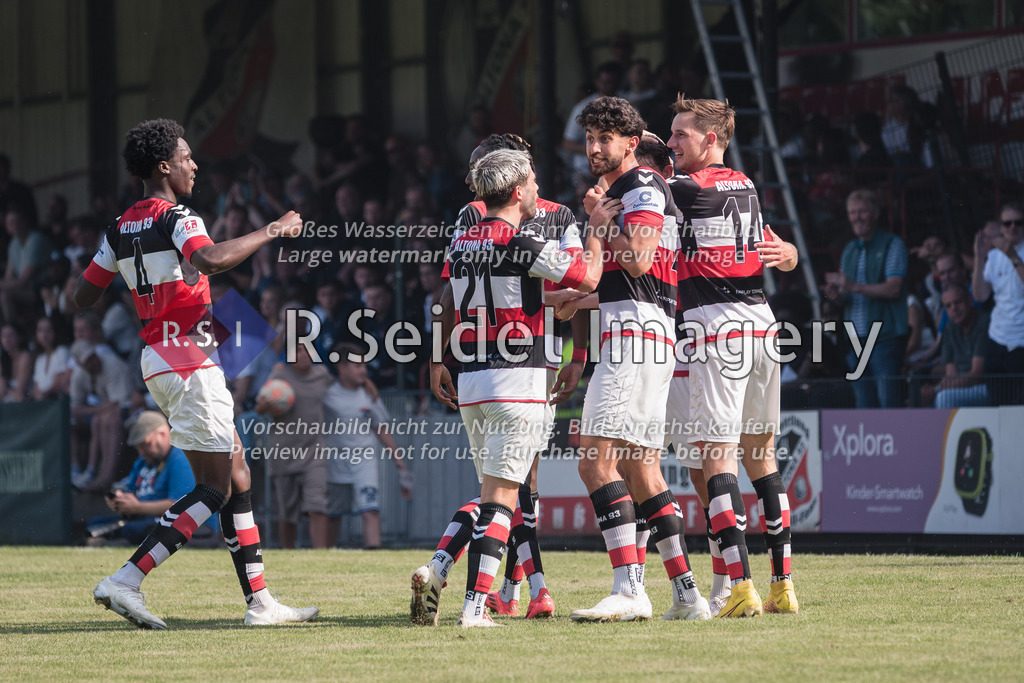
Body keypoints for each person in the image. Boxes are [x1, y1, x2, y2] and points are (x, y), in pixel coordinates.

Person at [74, 118, 317, 629]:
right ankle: (126, 580)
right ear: (164, 167)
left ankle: (261, 602)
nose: (194, 164)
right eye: (186, 158)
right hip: (187, 356)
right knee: (214, 490)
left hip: (161, 355)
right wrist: (273, 229)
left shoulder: (119, 226)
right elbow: (209, 258)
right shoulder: (176, 214)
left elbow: (83, 296)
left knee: (237, 472)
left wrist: (148, 285)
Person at [414, 148, 602, 627]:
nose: (539, 188)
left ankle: (446, 572)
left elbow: (448, 305)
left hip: (472, 380)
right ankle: (476, 607)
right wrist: (596, 229)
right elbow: (588, 278)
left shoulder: (461, 243)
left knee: (496, 493)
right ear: (517, 191)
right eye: (534, 181)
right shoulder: (521, 242)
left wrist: (437, 359)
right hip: (518, 379)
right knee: (502, 499)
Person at [561, 96, 709, 623]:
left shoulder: (639, 187)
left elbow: (640, 256)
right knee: (641, 470)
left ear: (631, 143)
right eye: (590, 138)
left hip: (634, 337)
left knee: (594, 461)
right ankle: (688, 596)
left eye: (606, 139)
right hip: (644, 330)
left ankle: (629, 590)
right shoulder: (630, 190)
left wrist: (598, 223)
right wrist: (576, 301)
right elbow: (634, 279)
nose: (595, 148)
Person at [664, 96, 800, 617]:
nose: (673, 143)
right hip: (764, 327)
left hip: (718, 329)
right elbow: (777, 249)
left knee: (715, 458)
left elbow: (640, 195)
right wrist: (788, 254)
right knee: (762, 459)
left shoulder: (687, 188)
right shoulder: (744, 185)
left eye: (681, 134)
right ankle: (782, 585)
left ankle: (739, 586)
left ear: (711, 140)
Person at [824, 188, 909, 408]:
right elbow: (846, 297)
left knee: (888, 403)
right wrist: (836, 295)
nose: (857, 217)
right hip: (855, 340)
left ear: (875, 213)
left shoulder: (892, 244)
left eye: (862, 211)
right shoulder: (850, 249)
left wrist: (852, 286)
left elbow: (893, 289)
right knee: (864, 405)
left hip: (884, 338)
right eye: (852, 212)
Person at [322, 343, 411, 548]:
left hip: (364, 462)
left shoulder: (369, 394)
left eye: (365, 365)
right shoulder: (327, 393)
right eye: (357, 365)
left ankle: (374, 550)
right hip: (334, 463)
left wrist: (398, 459)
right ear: (342, 368)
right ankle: (324, 554)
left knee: (370, 509)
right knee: (333, 515)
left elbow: (380, 428)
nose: (363, 370)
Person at [89, 411, 216, 544]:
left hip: (189, 525)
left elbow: (180, 505)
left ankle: (113, 542)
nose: (141, 452)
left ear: (163, 434)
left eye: (146, 444)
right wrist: (121, 502)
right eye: (139, 447)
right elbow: (132, 495)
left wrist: (138, 507)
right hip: (145, 520)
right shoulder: (142, 462)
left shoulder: (180, 457)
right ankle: (112, 541)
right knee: (96, 523)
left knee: (136, 529)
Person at [255, 343, 334, 549]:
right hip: (284, 452)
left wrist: (369, 386)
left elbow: (343, 385)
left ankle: (322, 556)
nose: (303, 354)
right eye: (298, 350)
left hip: (314, 450)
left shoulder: (322, 374)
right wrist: (267, 405)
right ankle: (288, 554)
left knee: (317, 505)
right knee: (287, 511)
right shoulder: (280, 376)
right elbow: (259, 407)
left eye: (307, 349)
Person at [972, 202, 1024, 404]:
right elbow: (980, 296)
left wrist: (1012, 255)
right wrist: (979, 257)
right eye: (1007, 223)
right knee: (997, 406)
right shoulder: (993, 257)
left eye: (1018, 222)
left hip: (1021, 343)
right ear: (1001, 227)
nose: (1012, 227)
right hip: (997, 340)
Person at [68, 339, 133, 490]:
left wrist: (96, 410)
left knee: (104, 420)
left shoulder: (112, 364)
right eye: (87, 361)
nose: (92, 362)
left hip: (130, 406)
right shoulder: (79, 375)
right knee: (88, 420)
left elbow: (118, 405)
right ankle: (82, 473)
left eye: (92, 356)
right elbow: (73, 409)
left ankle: (105, 475)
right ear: (81, 364)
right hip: (104, 412)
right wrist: (97, 409)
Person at [923, 286, 990, 408]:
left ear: (969, 300)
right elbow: (951, 374)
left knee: (944, 398)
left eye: (957, 302)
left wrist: (937, 389)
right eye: (948, 306)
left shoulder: (984, 322)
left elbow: (976, 374)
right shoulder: (949, 328)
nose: (954, 309)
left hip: (987, 387)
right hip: (960, 387)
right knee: (925, 405)